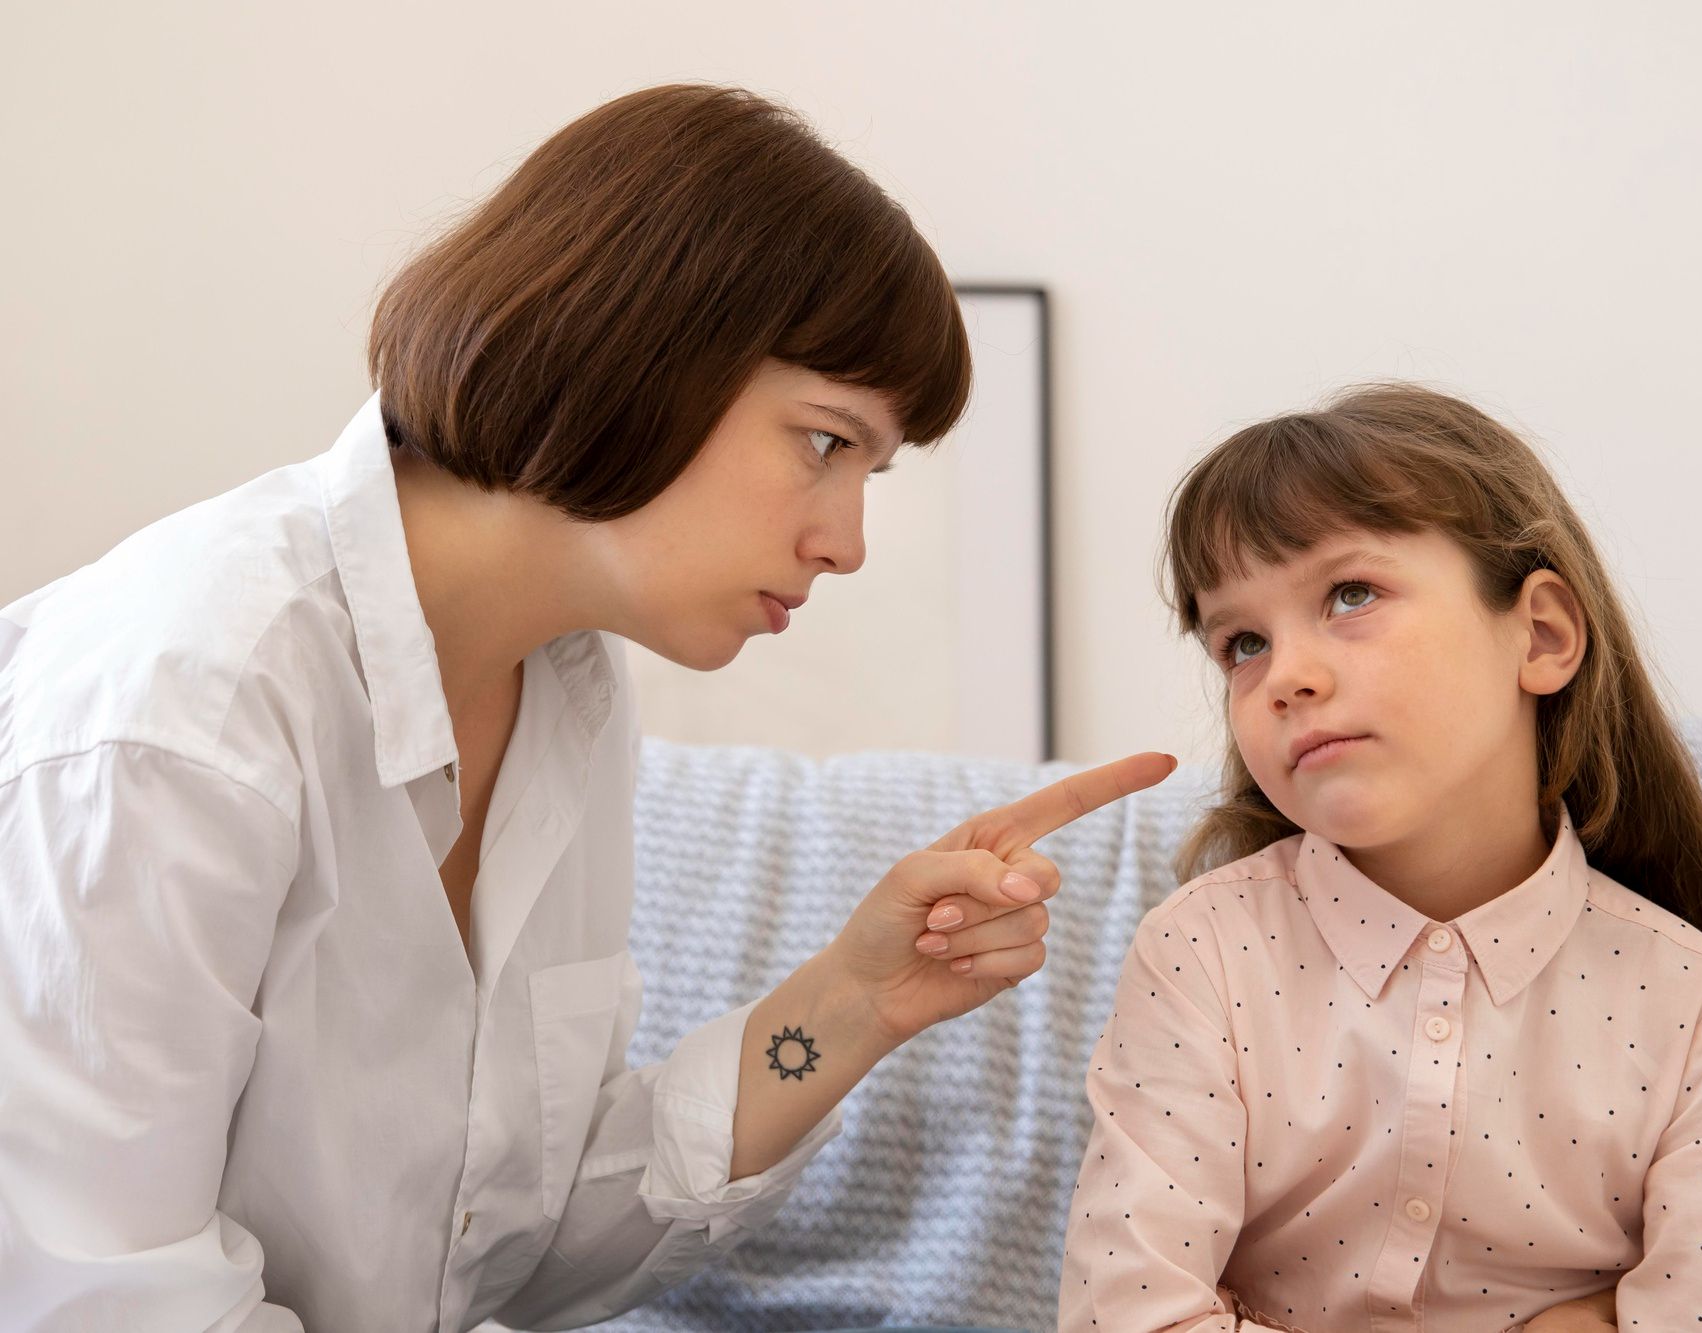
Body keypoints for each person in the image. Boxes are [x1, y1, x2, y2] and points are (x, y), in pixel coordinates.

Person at [0, 84, 1172, 1331]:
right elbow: (98, 1298)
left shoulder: (566, 686)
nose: (847, 543)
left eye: (870, 474)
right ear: (645, 350)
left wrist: (850, 1003)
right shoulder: (182, 706)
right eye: (827, 443)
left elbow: (521, 1240)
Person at [1058, 385, 1702, 1331]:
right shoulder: (1201, 954)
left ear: (1542, 635)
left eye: (1351, 595)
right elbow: (1125, 1315)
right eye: (1243, 643)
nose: (1288, 676)